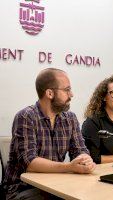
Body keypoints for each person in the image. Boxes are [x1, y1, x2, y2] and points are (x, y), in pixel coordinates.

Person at [3, 68, 96, 200]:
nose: (72, 94)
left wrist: (85, 160)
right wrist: (70, 166)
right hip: (23, 188)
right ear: (50, 93)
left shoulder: (70, 118)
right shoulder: (25, 116)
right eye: (67, 90)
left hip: (56, 185)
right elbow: (30, 163)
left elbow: (80, 150)